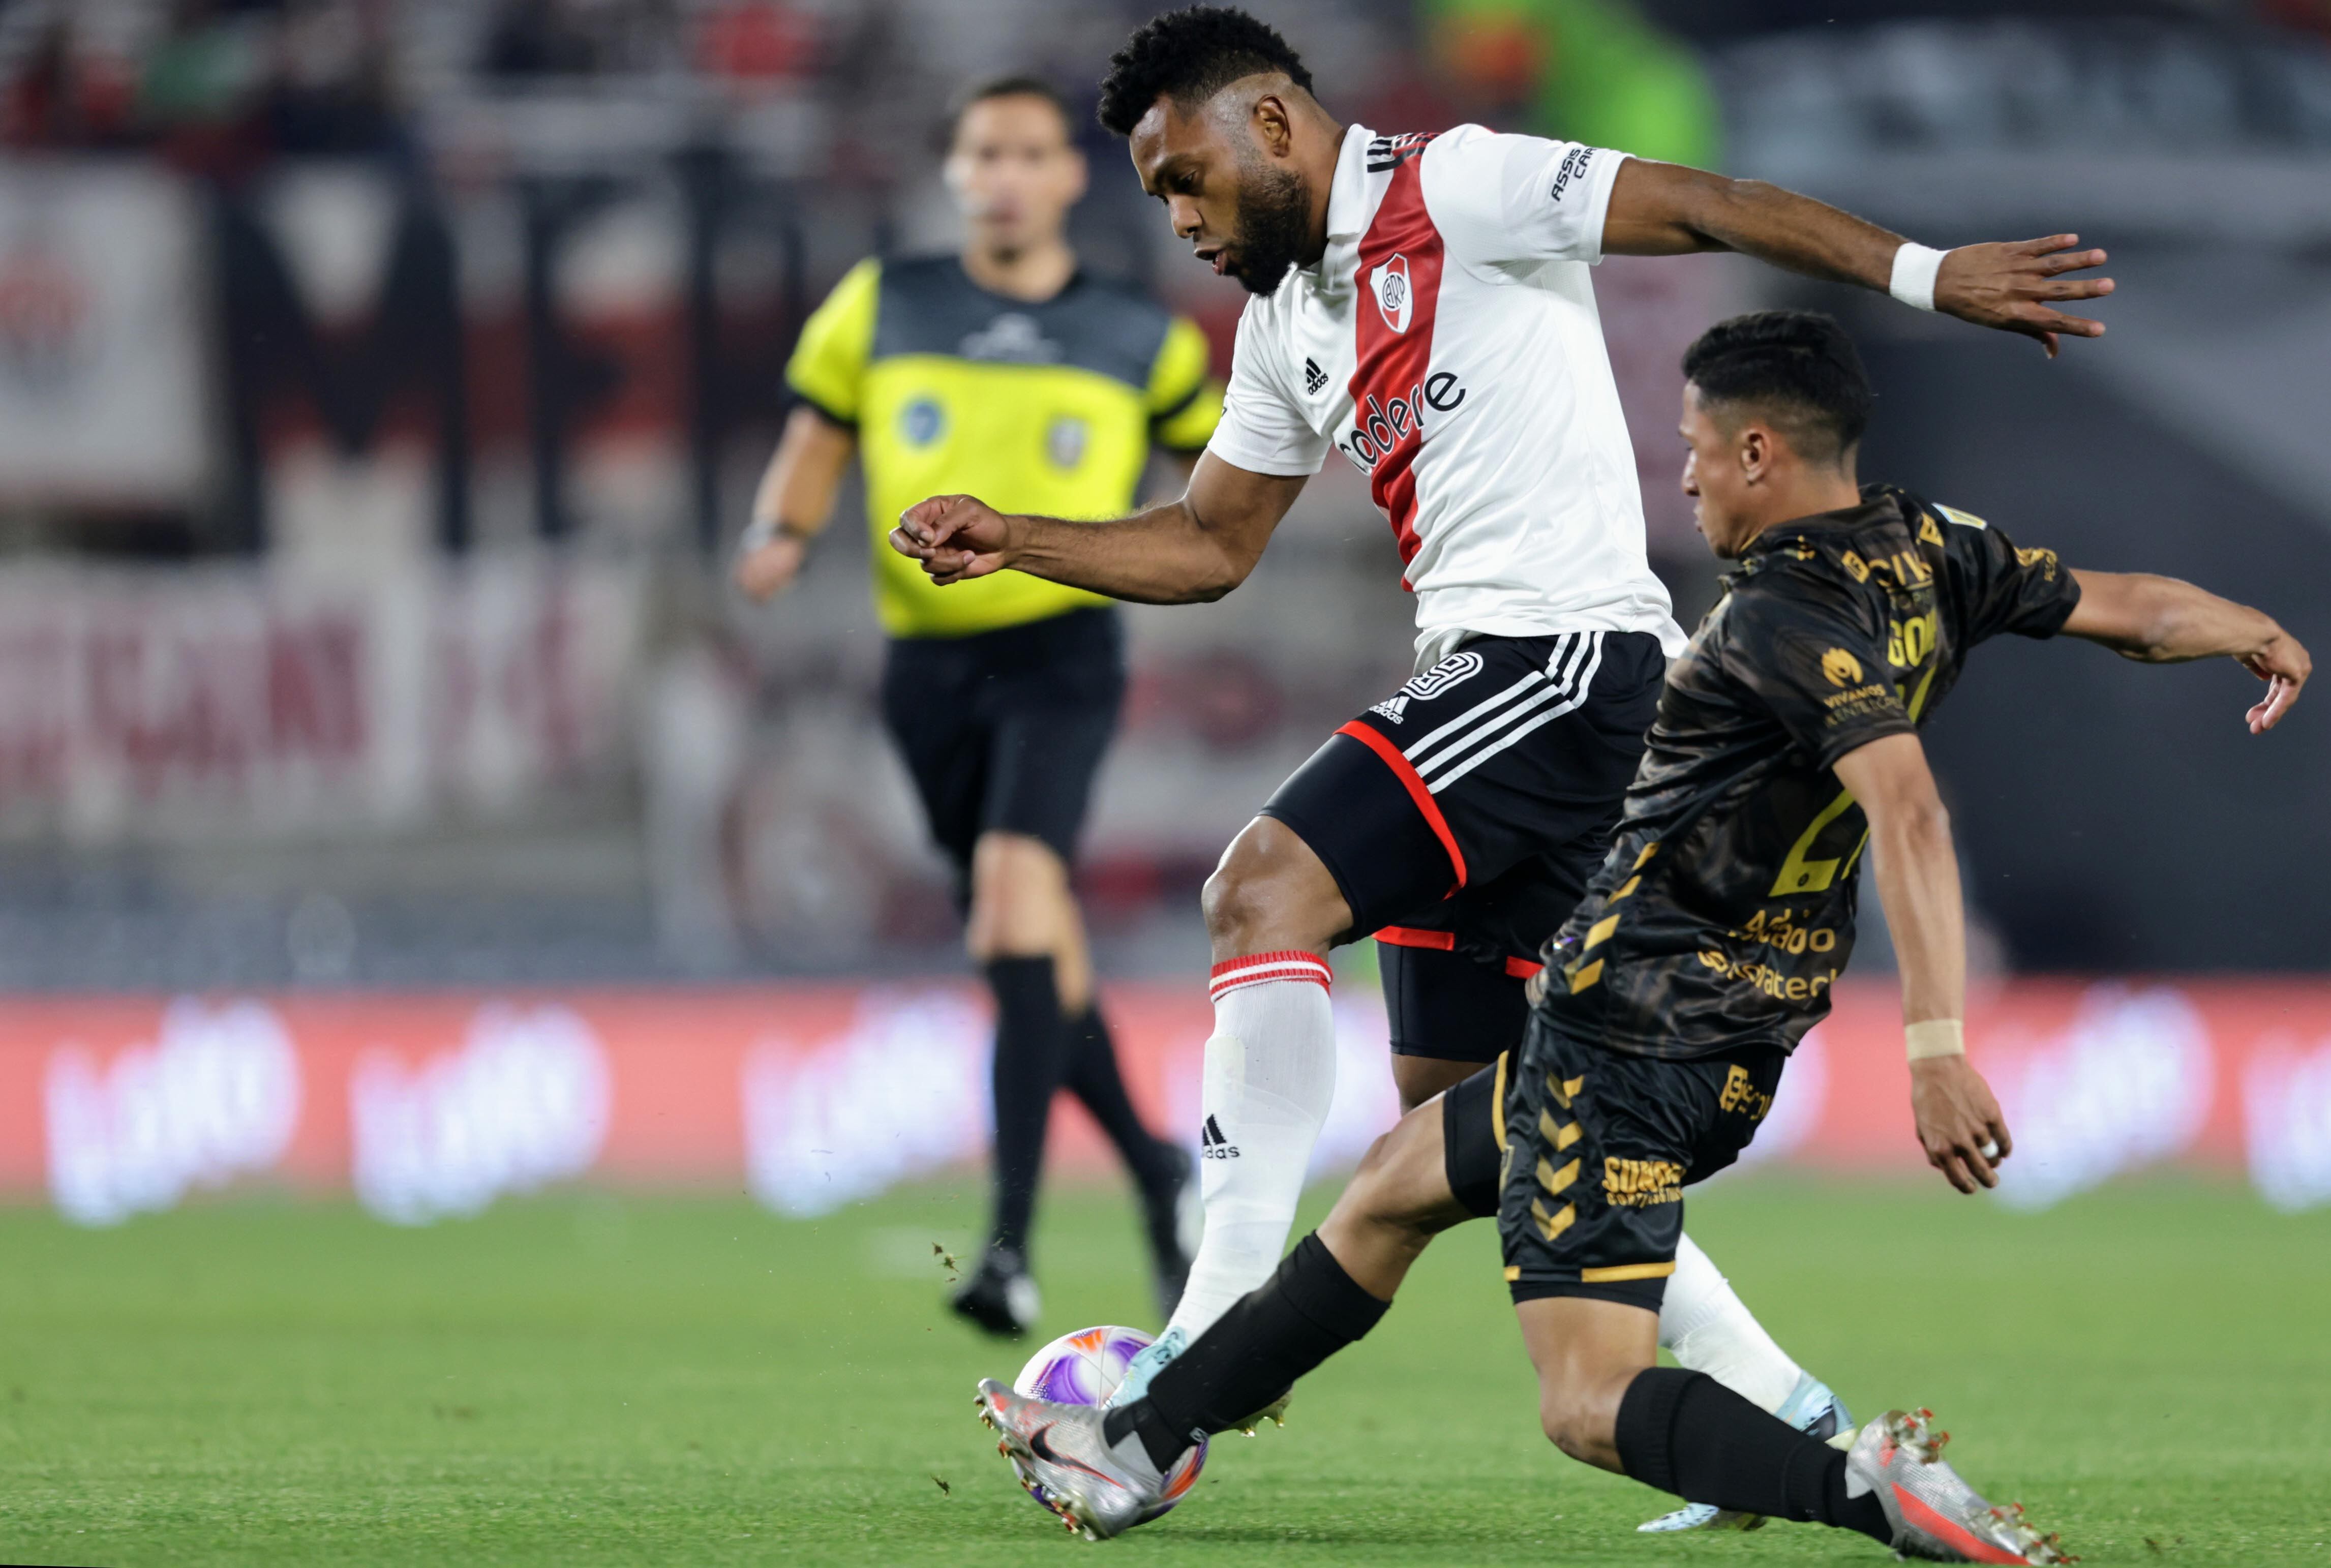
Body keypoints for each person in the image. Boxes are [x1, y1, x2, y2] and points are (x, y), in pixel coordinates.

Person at [891, 3, 2116, 1453]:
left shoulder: (1459, 184)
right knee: (1480, 1130)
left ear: (1270, 125)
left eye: (1184, 178)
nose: (1176, 218)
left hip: (1568, 662)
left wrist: (1926, 272)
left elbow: (1705, 204)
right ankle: (1799, 1413)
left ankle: (1206, 1335)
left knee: (1257, 887)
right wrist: (1015, 538)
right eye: (1157, 194)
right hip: (1504, 684)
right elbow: (1210, 544)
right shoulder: (1291, 323)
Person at [972, 309, 2309, 1557]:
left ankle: (1865, 1483)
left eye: (1690, 452)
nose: (1681, 484)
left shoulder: (1784, 623)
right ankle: (1133, 1448)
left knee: (1585, 1401)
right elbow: (2121, 604)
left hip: (1619, 1037)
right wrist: (2248, 626)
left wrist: (1940, 1046)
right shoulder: (1933, 548)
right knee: (1389, 1189)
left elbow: (1907, 812)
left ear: (1757, 451)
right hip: (1733, 1037)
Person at [736, 74, 1222, 1336]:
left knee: (1014, 906)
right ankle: (1157, 1168)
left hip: (1062, 655)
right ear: (955, 177)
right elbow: (817, 429)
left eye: (1027, 155)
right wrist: (779, 532)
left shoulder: (1138, 335)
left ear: (1071, 176)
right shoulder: (884, 302)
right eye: (981, 155)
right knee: (1027, 952)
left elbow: (1226, 468)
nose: (1003, 176)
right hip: (926, 676)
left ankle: (1008, 1248)